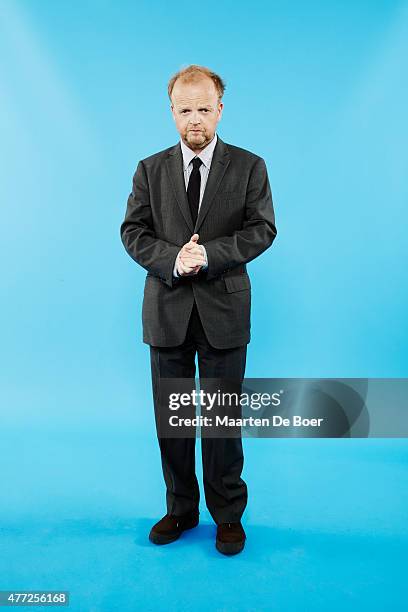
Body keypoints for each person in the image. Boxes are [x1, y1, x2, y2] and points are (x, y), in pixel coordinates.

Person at [120, 65, 277, 555]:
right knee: (174, 420)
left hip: (224, 312)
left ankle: (228, 514)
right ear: (171, 111)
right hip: (166, 309)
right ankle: (181, 509)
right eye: (185, 110)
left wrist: (209, 254)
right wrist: (174, 258)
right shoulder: (149, 169)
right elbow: (133, 232)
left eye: (204, 109)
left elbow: (261, 229)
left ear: (220, 110)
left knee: (222, 422)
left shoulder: (250, 166)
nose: (195, 119)